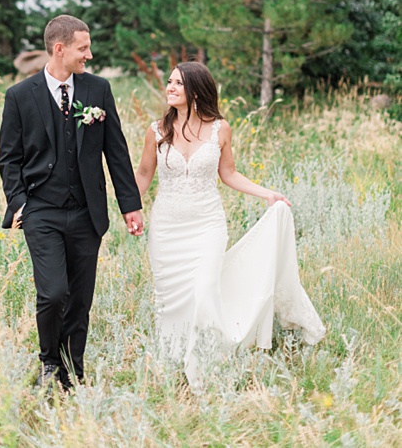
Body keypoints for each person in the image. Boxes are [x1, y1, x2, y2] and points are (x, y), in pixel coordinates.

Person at [133, 60, 324, 389]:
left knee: (206, 289)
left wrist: (268, 194)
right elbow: (144, 174)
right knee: (171, 299)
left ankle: (206, 364)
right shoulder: (157, 130)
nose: (170, 87)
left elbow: (229, 174)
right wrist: (128, 210)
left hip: (207, 224)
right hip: (166, 227)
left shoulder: (220, 129)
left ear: (195, 90)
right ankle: (174, 359)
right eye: (170, 82)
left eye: (178, 83)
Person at [0, 14, 144, 390]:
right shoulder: (19, 96)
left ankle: (72, 371)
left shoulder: (98, 90)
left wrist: (130, 205)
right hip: (40, 210)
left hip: (86, 212)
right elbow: (8, 157)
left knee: (79, 300)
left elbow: (116, 150)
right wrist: (19, 203)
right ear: (59, 49)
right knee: (53, 293)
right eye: (83, 48)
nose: (89, 55)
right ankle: (49, 362)